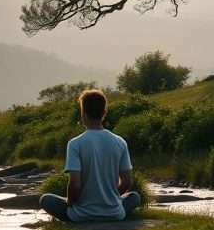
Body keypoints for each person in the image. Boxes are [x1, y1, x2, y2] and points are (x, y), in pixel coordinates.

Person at [39, 89, 141, 222]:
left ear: (83, 114)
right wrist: (111, 198)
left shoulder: (75, 144)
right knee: (134, 197)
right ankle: (110, 209)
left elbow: (75, 185)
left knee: (45, 199)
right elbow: (127, 181)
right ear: (104, 113)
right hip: (114, 213)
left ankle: (77, 214)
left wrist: (70, 202)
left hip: (81, 215)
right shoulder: (120, 142)